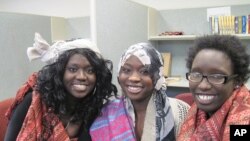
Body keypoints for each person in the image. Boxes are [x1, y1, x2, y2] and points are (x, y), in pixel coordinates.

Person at [4, 33, 117, 141]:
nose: (82, 76)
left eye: (90, 70)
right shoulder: (33, 101)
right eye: (73, 69)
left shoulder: (94, 110)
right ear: (59, 73)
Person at [90, 43, 190, 141]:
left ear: (157, 76)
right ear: (119, 74)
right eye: (126, 70)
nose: (134, 78)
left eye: (144, 71)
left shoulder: (179, 111)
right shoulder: (105, 112)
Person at [177, 35, 250, 141]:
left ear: (237, 81)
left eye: (216, 77)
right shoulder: (191, 113)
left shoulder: (244, 121)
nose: (203, 85)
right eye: (196, 74)